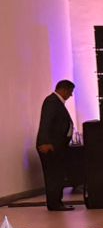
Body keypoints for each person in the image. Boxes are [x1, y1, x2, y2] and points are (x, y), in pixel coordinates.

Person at [36, 80, 76, 211]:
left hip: (56, 146)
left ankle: (57, 202)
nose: (70, 95)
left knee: (57, 174)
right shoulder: (52, 102)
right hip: (49, 146)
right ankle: (54, 203)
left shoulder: (57, 102)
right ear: (64, 90)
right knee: (53, 175)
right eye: (70, 92)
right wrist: (45, 142)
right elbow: (45, 122)